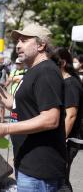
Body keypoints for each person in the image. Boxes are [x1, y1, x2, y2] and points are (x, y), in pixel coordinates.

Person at [0, 24, 67, 191]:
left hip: (39, 169)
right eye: (17, 41)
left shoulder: (46, 72)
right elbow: (14, 104)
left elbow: (51, 119)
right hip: (27, 162)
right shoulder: (33, 71)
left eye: (24, 40)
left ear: (41, 45)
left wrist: (6, 128)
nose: (18, 45)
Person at [50, 47, 83, 191]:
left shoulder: (71, 84)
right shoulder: (65, 81)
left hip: (69, 140)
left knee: (60, 179)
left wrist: (60, 139)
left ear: (62, 63)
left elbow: (71, 115)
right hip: (65, 138)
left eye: (52, 63)